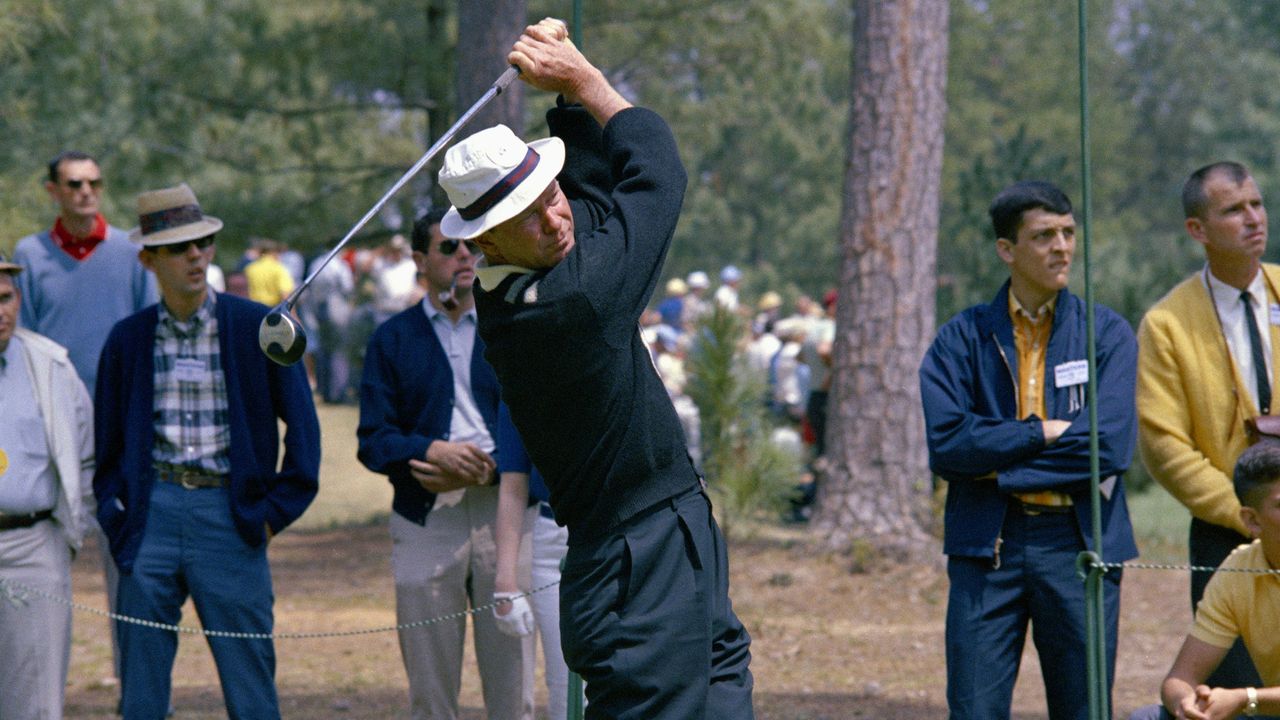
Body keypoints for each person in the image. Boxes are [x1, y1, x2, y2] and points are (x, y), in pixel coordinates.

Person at [437, 19, 754, 719]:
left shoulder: (533, 275)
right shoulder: (570, 303)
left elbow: (588, 193)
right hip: (636, 569)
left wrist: (566, 101)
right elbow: (657, 176)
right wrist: (583, 80)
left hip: (668, 536)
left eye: (549, 193)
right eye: (529, 214)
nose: (556, 217)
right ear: (486, 241)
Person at [94, 183, 320, 720]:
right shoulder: (127, 339)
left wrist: (269, 516)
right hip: (152, 514)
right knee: (142, 693)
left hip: (231, 515)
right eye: (178, 247)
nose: (195, 256)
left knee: (251, 688)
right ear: (149, 258)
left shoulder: (256, 327)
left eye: (204, 242)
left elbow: (304, 432)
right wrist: (116, 516)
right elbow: (105, 449)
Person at [919, 180, 1138, 720]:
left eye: (1068, 233)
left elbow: (1107, 446)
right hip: (989, 547)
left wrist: (999, 467)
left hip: (1079, 546)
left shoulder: (1105, 334)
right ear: (1006, 250)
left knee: (1085, 709)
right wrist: (1042, 431)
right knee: (973, 709)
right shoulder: (960, 338)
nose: (1062, 247)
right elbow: (948, 446)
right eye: (1043, 236)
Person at [356, 208, 532, 720]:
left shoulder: (513, 328)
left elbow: (538, 420)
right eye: (449, 248)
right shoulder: (392, 339)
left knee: (513, 679)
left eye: (472, 246)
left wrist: (492, 464)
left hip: (506, 507)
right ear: (418, 261)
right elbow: (373, 439)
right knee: (430, 688)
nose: (464, 256)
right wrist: (429, 450)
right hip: (427, 513)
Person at [13, 149, 157, 694]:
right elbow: (20, 345)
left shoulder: (128, 251)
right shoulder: (29, 254)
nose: (85, 193)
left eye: (94, 183)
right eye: (73, 184)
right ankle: (36, 690)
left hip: (119, 434)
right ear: (52, 190)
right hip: (52, 437)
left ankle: (136, 689)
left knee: (129, 564)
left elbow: (146, 333)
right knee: (45, 568)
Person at [1138, 161, 1275, 689]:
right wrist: (1245, 515)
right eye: (1233, 210)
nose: (1253, 219)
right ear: (1197, 230)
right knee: (1234, 692)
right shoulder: (1167, 324)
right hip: (1226, 534)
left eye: (1256, 204)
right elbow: (1163, 444)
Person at [0, 253, 95, 720]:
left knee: (35, 702)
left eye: (6, 298)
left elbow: (85, 457)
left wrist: (67, 536)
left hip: (34, 545)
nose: (1, 312)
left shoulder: (52, 365)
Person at [1130, 442, 1280, 720]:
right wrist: (1189, 705)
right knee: (1147, 718)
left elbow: (1245, 701)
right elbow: (1180, 678)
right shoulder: (1239, 571)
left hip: (1261, 706)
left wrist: (1244, 699)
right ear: (1252, 520)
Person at [493, 403, 578, 720]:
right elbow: (513, 486)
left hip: (621, 528)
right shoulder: (520, 371)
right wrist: (505, 584)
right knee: (566, 687)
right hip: (554, 533)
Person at [244, 238, 296, 307]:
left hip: (252, 307)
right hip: (272, 309)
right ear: (274, 252)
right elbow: (285, 294)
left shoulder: (249, 268)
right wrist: (292, 314)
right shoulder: (279, 268)